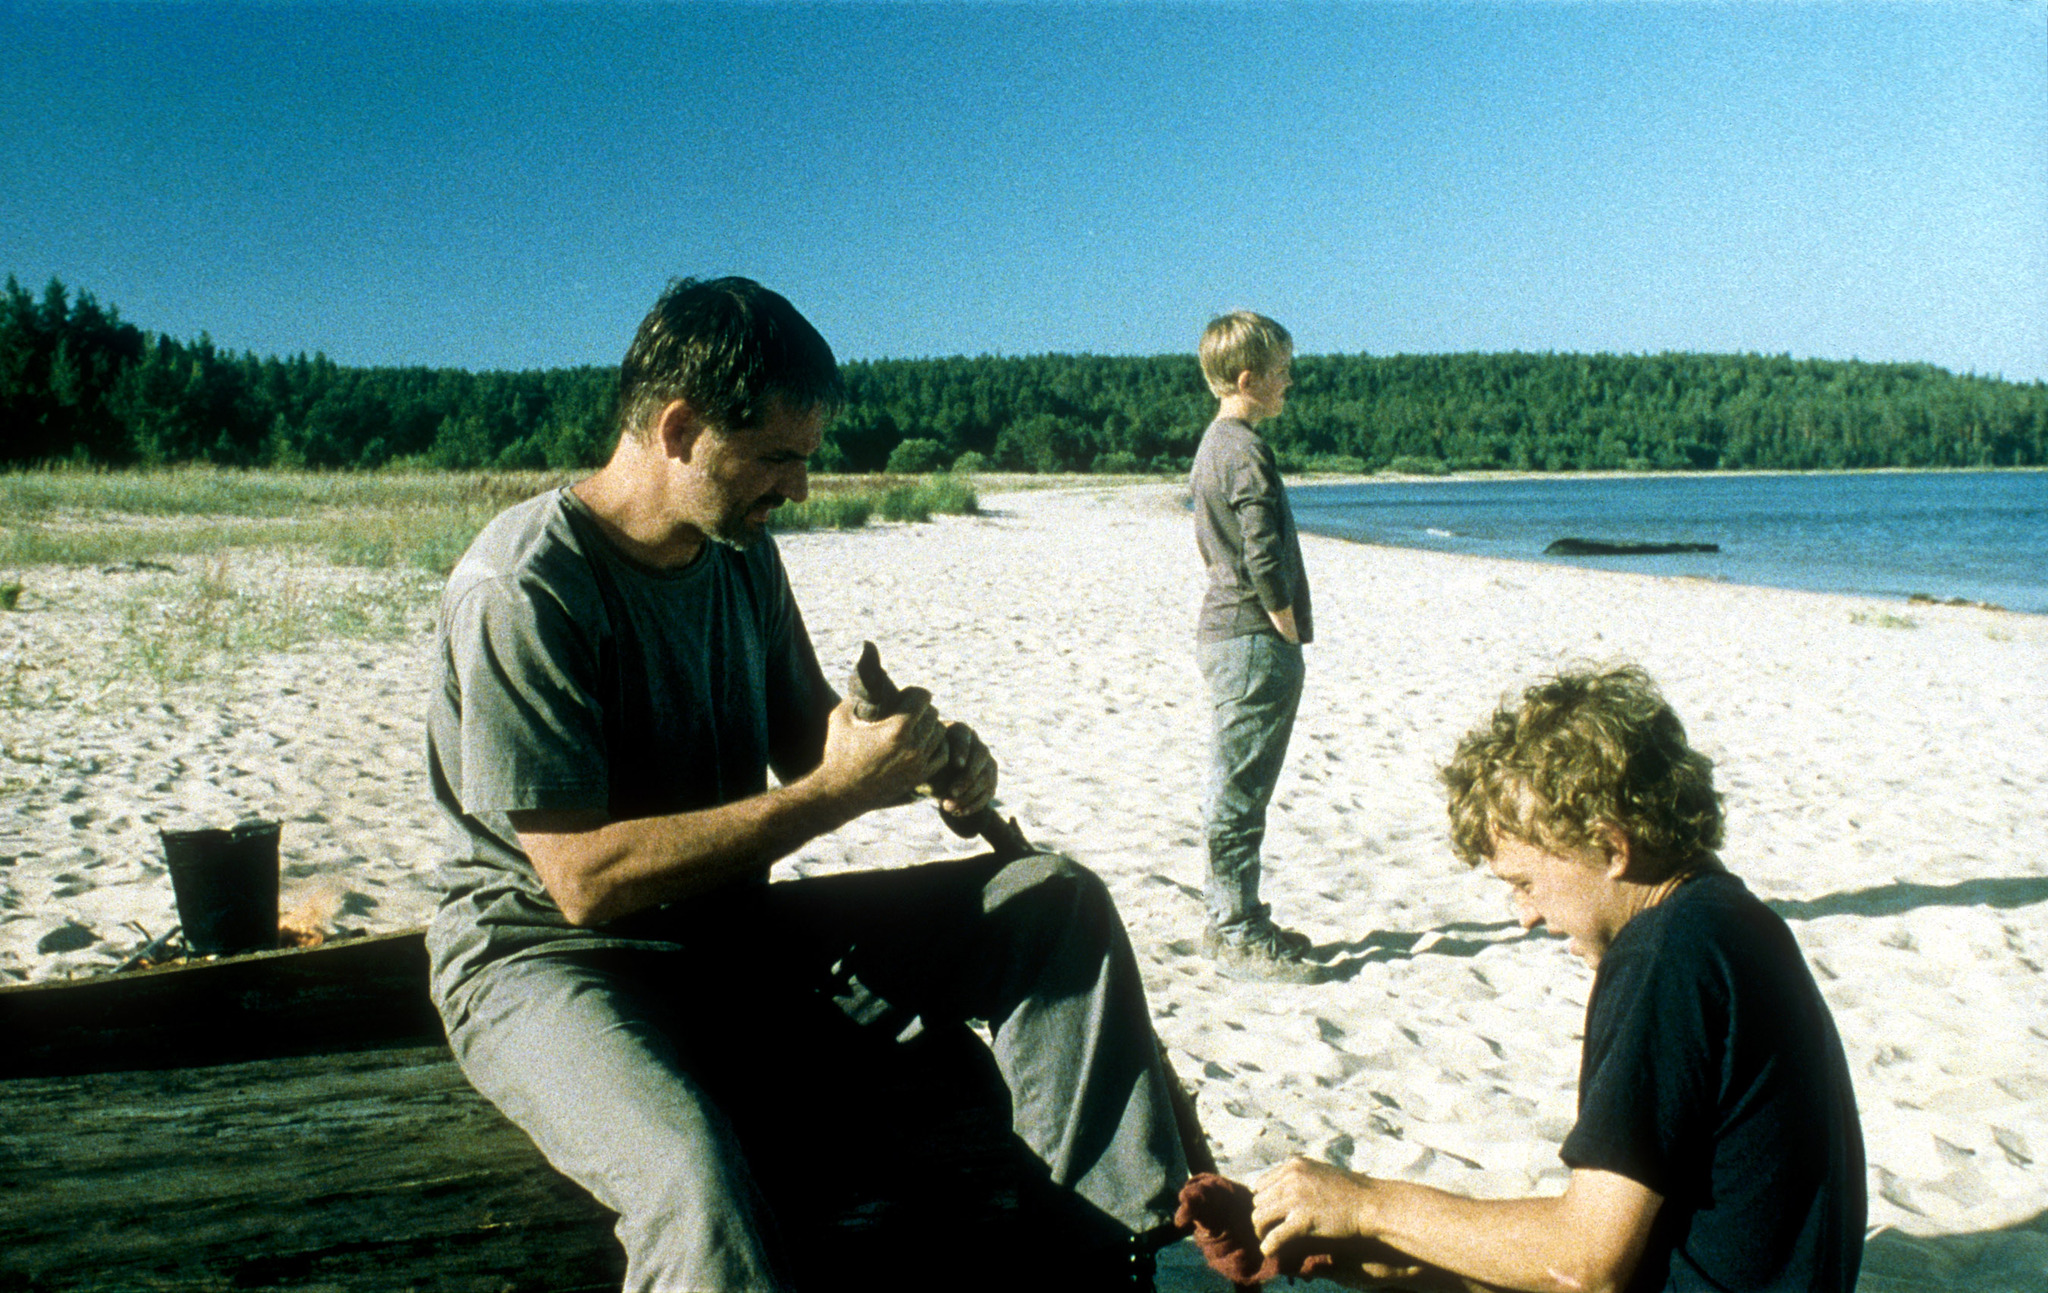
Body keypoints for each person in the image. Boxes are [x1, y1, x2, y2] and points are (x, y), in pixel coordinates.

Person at [424, 277, 1189, 1292]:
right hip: (548, 961)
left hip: (726, 939)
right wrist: (838, 792)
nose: (796, 487)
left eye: (804, 459)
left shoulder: (735, 551)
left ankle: (1108, 1252)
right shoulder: (524, 586)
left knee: (1052, 901)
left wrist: (912, 753)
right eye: (777, 457)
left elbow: (804, 739)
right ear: (680, 426)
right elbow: (583, 881)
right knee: (698, 1185)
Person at [1250, 665, 1866, 1292]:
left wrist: (1367, 1205)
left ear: (1612, 847)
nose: (1526, 915)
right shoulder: (1734, 921)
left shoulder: (1664, 954)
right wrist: (1381, 1255)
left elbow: (1588, 1263)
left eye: (1525, 880)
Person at [1188, 310, 1319, 982]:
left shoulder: (1216, 445)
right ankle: (1236, 930)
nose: (1289, 382)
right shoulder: (1242, 449)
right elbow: (1261, 551)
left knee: (1233, 783)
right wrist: (1286, 623)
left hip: (1229, 631)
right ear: (1249, 378)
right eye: (1282, 372)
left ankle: (1236, 917)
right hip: (1251, 635)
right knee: (1240, 789)